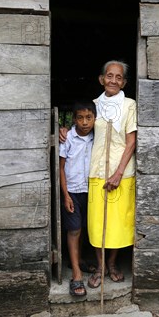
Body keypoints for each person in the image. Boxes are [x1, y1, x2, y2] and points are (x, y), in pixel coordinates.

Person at [87, 60, 137, 288]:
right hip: (97, 170)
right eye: (109, 76)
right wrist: (64, 130)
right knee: (98, 223)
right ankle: (99, 266)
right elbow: (82, 127)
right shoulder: (94, 105)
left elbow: (131, 141)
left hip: (121, 173)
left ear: (124, 82)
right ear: (101, 79)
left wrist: (118, 173)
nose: (113, 81)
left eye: (118, 77)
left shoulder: (129, 105)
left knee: (116, 224)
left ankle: (113, 264)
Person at [59, 100, 97, 296]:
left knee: (83, 229)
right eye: (80, 118)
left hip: (91, 191)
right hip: (72, 191)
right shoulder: (68, 139)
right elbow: (61, 168)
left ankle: (79, 260)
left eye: (89, 118)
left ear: (94, 119)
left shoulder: (97, 137)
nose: (84, 122)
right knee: (73, 230)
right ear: (74, 119)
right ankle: (76, 273)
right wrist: (65, 195)